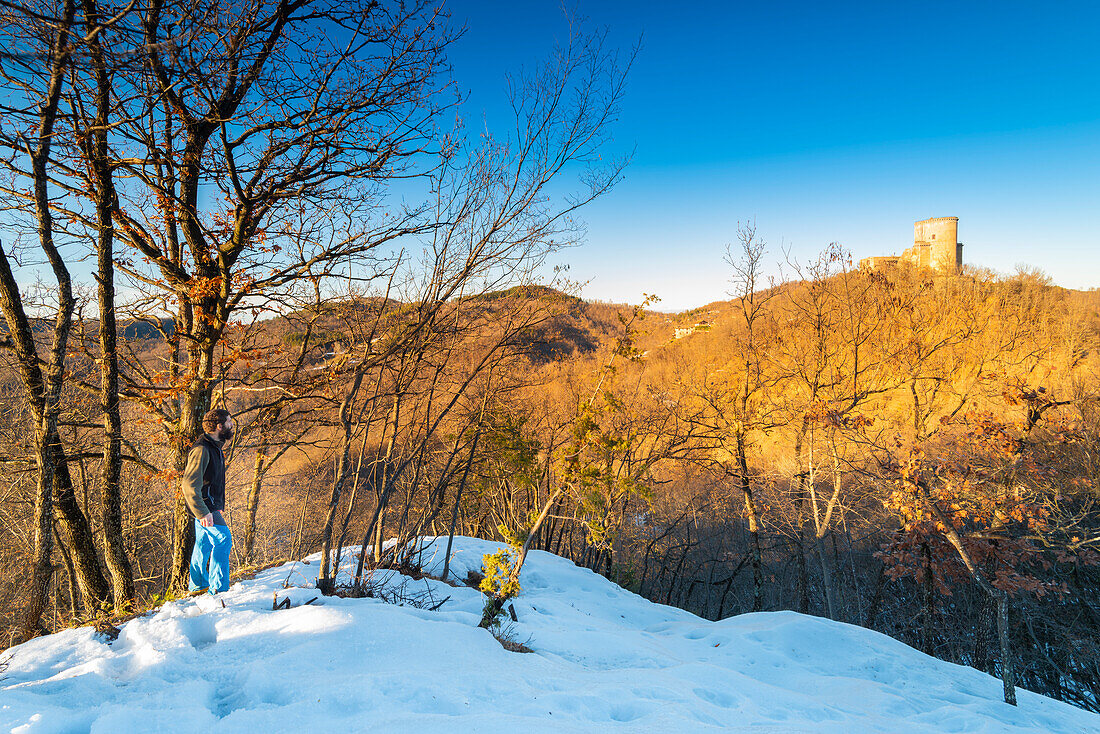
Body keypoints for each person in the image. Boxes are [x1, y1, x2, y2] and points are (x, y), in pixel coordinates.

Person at [182, 408, 234, 595]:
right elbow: (189, 485)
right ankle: (219, 590)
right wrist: (203, 511)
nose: (231, 425)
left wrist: (217, 506)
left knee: (203, 543)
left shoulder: (214, 446)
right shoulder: (202, 449)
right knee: (223, 540)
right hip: (204, 507)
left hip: (209, 506)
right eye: (229, 422)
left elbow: (209, 481)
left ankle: (198, 585)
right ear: (219, 426)